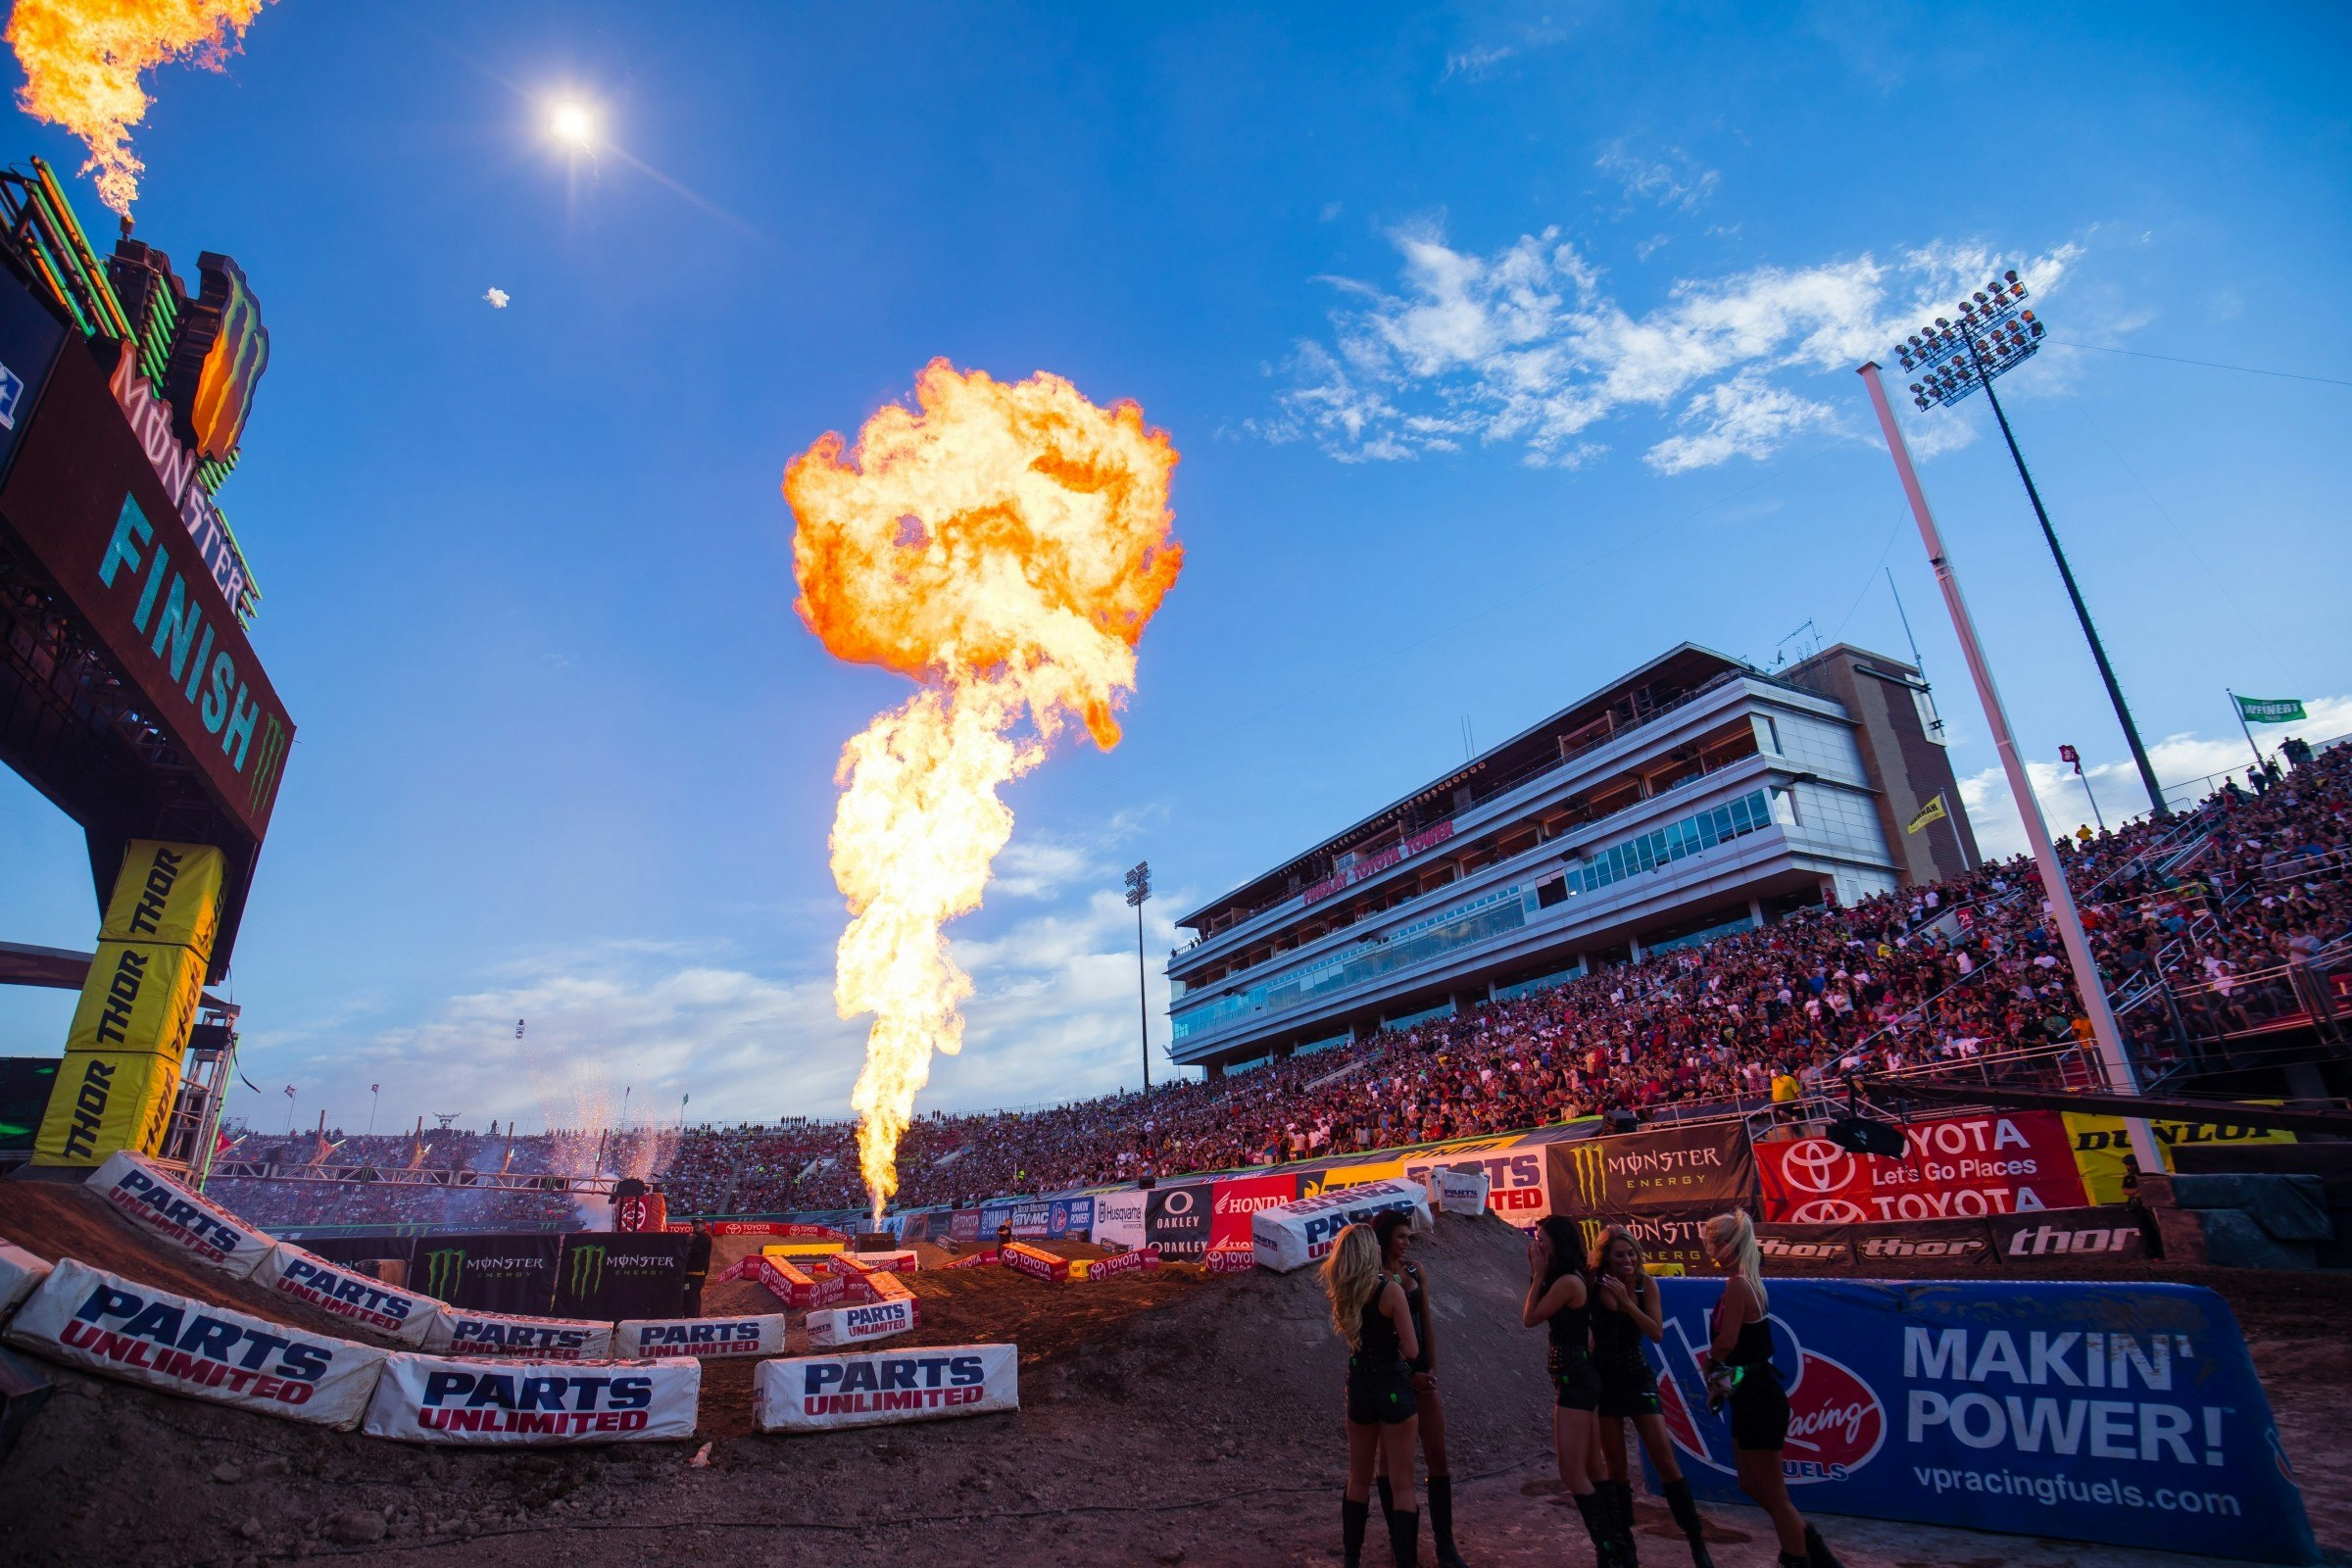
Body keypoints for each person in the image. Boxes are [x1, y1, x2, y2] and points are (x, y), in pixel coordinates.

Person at [1700, 1211, 1839, 1568]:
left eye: (1711, 1243)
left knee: (1775, 1494)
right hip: (1749, 1391)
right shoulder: (1747, 1280)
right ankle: (1806, 1542)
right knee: (1750, 1482)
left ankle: (1797, 1558)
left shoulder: (1739, 1284)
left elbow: (1728, 1342)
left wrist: (1710, 1362)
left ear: (1724, 1245)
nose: (1709, 1250)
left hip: (1758, 1393)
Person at [1589, 1226, 1713, 1567]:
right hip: (1604, 1380)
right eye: (1619, 1255)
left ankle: (1696, 1541)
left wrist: (1628, 1302)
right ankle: (1625, 1545)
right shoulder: (1593, 1283)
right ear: (1606, 1258)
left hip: (1636, 1375)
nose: (1627, 1260)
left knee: (1664, 1459)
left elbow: (1656, 1332)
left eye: (1631, 1254)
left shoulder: (1646, 1284)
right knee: (1615, 1469)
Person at [1524, 1216, 1628, 1567]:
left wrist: (1538, 1275)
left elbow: (1530, 1317)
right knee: (1593, 1468)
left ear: (1557, 1242)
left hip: (1575, 1381)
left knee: (1572, 1472)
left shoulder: (1568, 1281)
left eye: (1541, 1238)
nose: (1537, 1244)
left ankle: (1609, 1549)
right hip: (1576, 1377)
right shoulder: (1568, 1277)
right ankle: (1620, 1547)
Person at [1371, 1210, 1469, 1567]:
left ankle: (1445, 1545)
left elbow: (1426, 1321)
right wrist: (1409, 1371)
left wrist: (1431, 1367)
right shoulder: (1373, 1278)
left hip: (1422, 1374)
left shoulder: (1415, 1271)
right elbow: (1379, 1336)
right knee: (1393, 1464)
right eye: (1400, 1235)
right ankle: (1400, 1542)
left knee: (1437, 1457)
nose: (1406, 1241)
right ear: (1384, 1239)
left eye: (1407, 1235)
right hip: (1392, 1377)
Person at [1323, 1221, 1422, 1568]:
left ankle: (1352, 1557)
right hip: (1392, 1387)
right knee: (1403, 1483)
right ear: (1370, 1251)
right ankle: (1406, 1559)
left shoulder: (1345, 1289)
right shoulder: (1390, 1290)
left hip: (1359, 1385)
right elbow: (1412, 1350)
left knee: (1358, 1477)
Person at [682, 1220, 712, 1315]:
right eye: (694, 1225)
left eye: (698, 1225)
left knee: (692, 1295)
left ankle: (692, 1316)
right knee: (691, 1295)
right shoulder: (697, 1237)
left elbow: (696, 1249)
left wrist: (685, 1250)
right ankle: (692, 1314)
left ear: (704, 1225)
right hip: (691, 1272)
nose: (695, 1226)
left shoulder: (705, 1236)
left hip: (697, 1272)